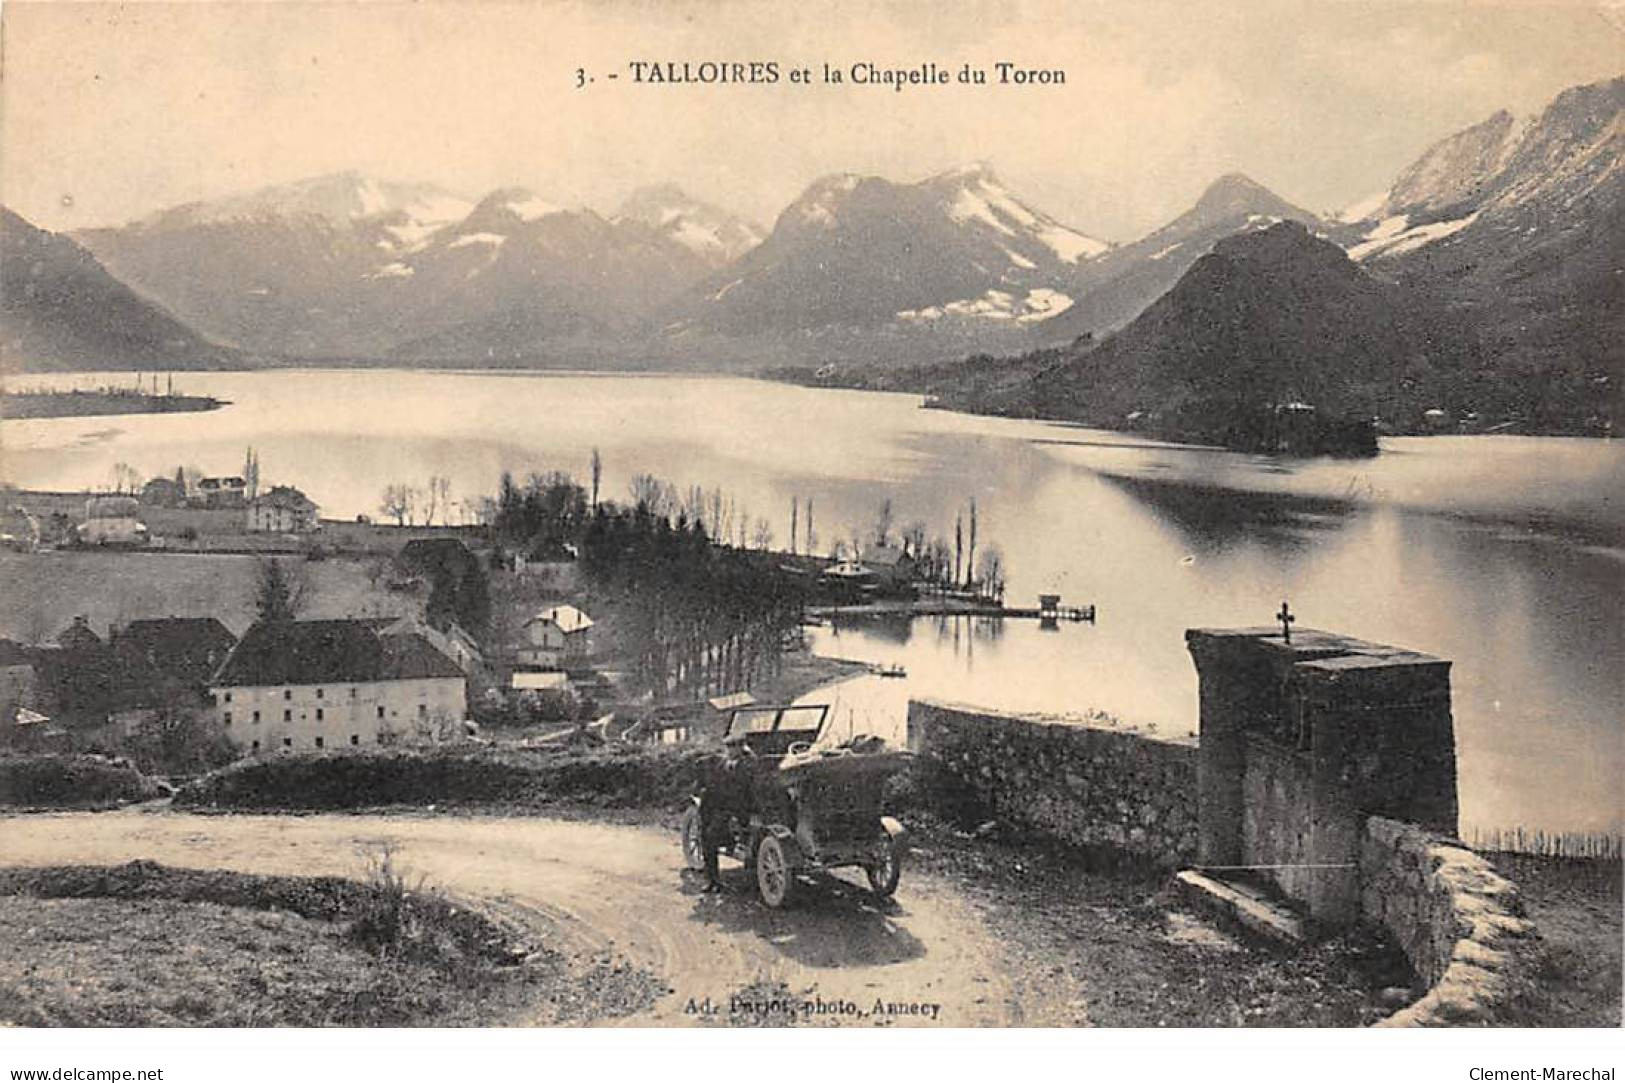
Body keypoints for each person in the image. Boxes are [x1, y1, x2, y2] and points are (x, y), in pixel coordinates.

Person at [699, 732, 755, 891]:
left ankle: (714, 879)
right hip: (723, 808)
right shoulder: (723, 764)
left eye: (734, 746)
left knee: (711, 835)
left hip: (740, 809)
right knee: (707, 833)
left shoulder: (749, 764)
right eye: (728, 746)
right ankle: (712, 879)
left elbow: (746, 790)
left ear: (741, 747)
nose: (730, 750)